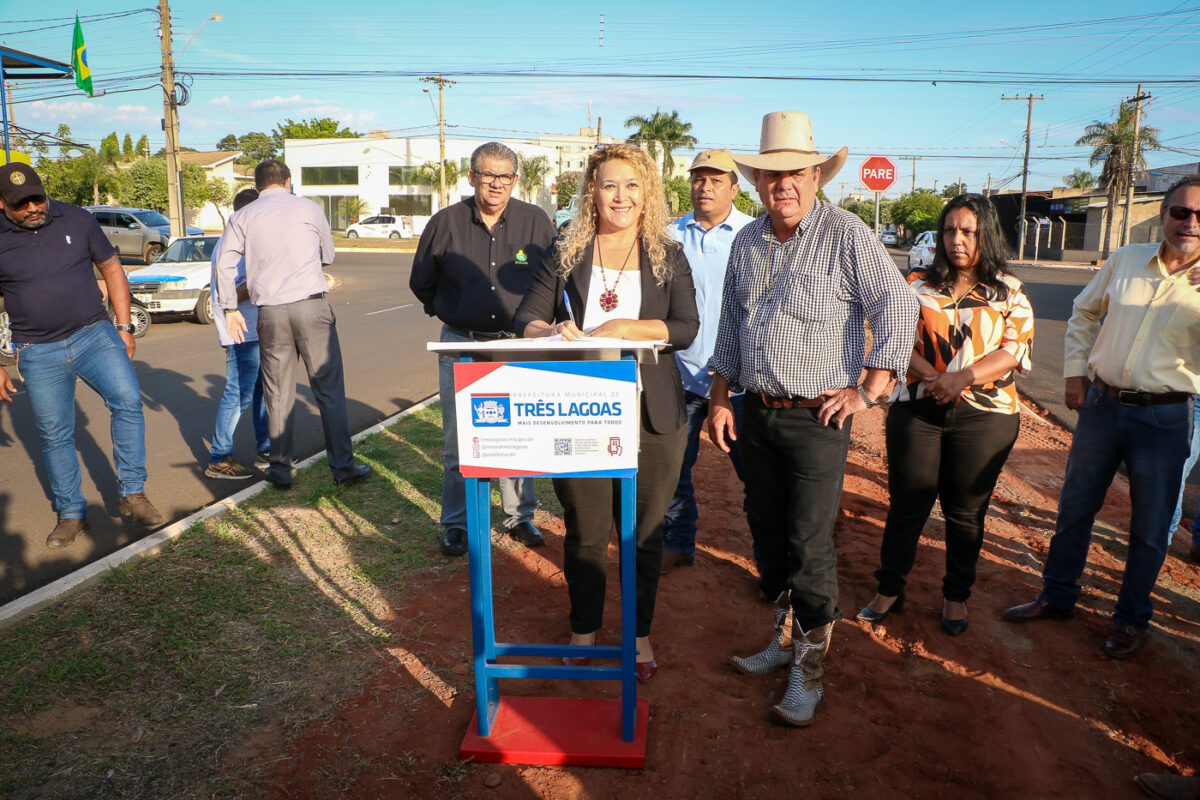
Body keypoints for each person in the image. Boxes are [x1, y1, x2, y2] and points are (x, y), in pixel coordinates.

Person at [709, 111, 918, 726]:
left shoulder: (847, 233)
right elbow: (730, 326)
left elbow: (899, 305)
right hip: (756, 413)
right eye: (773, 176)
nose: (785, 186)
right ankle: (783, 637)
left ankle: (810, 669)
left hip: (817, 421)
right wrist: (721, 397)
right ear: (757, 182)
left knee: (808, 541)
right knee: (767, 536)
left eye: (796, 173)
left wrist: (870, 389)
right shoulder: (746, 240)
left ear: (816, 175)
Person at [514, 143, 698, 682]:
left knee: (644, 532)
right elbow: (528, 316)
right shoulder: (566, 252)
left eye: (632, 186)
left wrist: (623, 329)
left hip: (653, 415)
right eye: (609, 185)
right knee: (586, 529)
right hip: (581, 409)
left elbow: (685, 328)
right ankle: (583, 629)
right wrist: (551, 330)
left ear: (649, 195)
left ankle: (637, 637)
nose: (620, 196)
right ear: (591, 193)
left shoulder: (667, 254)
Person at [1005, 175, 1200, 659]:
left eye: (1199, 216)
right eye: (1180, 212)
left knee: (1151, 527)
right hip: (1103, 407)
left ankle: (1131, 619)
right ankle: (1057, 595)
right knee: (1075, 509)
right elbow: (1084, 312)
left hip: (1167, 417)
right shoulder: (1127, 260)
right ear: (1163, 215)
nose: (1190, 223)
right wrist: (1075, 374)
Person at [858, 194, 1034, 636]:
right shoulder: (915, 283)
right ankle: (889, 591)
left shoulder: (1009, 290)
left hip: (986, 417)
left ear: (986, 235)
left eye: (968, 232)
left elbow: (1015, 349)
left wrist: (962, 378)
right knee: (907, 506)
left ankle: (956, 596)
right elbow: (891, 338)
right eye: (950, 230)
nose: (957, 240)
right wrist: (934, 379)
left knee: (965, 512)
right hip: (918, 409)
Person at [0, 162, 163, 546]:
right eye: (21, 204)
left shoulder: (76, 219)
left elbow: (111, 268)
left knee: (126, 400)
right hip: (36, 349)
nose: (33, 208)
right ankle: (71, 514)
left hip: (94, 333)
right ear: (3, 204)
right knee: (55, 434)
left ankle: (132, 492)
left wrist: (124, 326)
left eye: (37, 198)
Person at [410, 142, 556, 556]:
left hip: (517, 347)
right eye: (487, 175)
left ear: (515, 180)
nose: (496, 183)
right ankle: (457, 523)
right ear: (472, 177)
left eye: (504, 176)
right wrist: (450, 307)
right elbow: (422, 280)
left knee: (517, 435)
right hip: (460, 345)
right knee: (460, 441)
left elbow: (555, 280)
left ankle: (519, 516)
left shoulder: (536, 222)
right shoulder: (446, 223)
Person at [215, 159, 371, 490]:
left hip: (270, 313)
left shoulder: (243, 216)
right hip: (311, 307)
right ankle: (343, 467)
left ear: (257, 188)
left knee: (277, 393)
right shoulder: (310, 209)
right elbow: (327, 255)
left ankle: (281, 469)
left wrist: (230, 308)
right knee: (328, 391)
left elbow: (224, 265)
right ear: (288, 181)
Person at [661, 149, 755, 573]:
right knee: (673, 469)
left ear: (735, 188)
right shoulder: (667, 237)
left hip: (738, 380)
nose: (705, 186)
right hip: (679, 373)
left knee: (754, 473)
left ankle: (767, 558)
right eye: (699, 178)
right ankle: (678, 542)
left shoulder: (754, 236)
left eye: (716, 180)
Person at [204, 188, 269, 480]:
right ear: (247, 213)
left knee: (259, 393)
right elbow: (229, 291)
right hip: (241, 333)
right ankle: (218, 458)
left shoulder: (245, 241)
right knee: (238, 394)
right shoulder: (232, 246)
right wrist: (262, 281)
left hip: (253, 331)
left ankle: (266, 452)